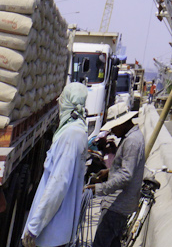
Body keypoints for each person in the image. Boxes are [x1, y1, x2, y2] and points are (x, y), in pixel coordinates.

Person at [21, 83, 89, 247]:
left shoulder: (70, 135)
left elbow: (58, 184)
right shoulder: (79, 131)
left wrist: (34, 227)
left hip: (51, 233)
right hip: (59, 233)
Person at [88, 112, 145, 247]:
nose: (113, 132)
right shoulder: (131, 138)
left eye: (114, 127)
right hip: (120, 206)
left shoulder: (132, 142)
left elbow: (126, 176)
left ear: (123, 123)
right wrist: (109, 172)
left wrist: (100, 189)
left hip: (117, 207)